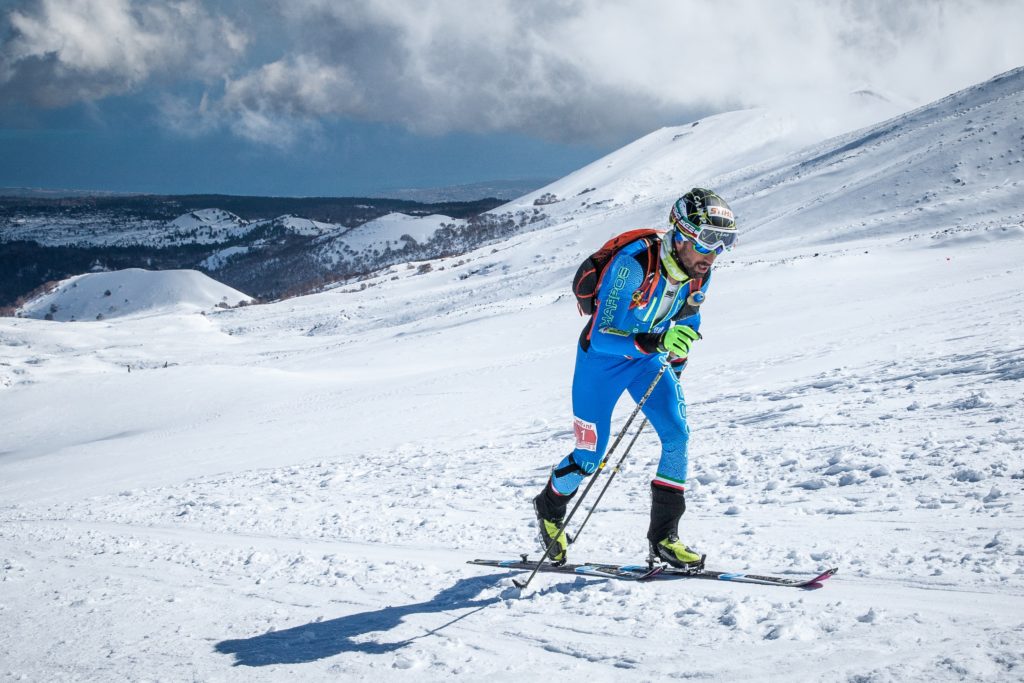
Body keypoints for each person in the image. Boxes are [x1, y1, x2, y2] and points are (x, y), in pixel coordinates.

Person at [532, 187, 738, 567]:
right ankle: (548, 509)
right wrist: (658, 340)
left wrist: (677, 358)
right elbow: (602, 335)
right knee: (589, 458)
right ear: (680, 233)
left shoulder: (698, 272)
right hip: (602, 363)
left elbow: (689, 318)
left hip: (647, 359)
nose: (714, 254)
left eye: (725, 243)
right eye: (708, 241)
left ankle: (664, 539)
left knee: (677, 436)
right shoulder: (633, 263)